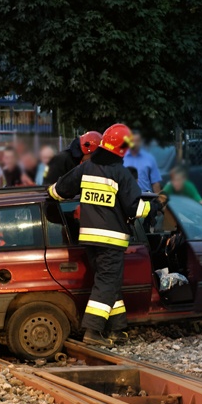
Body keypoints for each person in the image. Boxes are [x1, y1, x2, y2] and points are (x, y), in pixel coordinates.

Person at [48, 123, 157, 347]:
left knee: (109, 282)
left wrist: (48, 194)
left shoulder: (85, 168)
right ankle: (93, 330)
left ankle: (117, 329)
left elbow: (59, 190)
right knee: (107, 282)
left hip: (89, 238)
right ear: (123, 149)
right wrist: (153, 207)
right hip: (111, 239)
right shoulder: (121, 174)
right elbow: (135, 209)